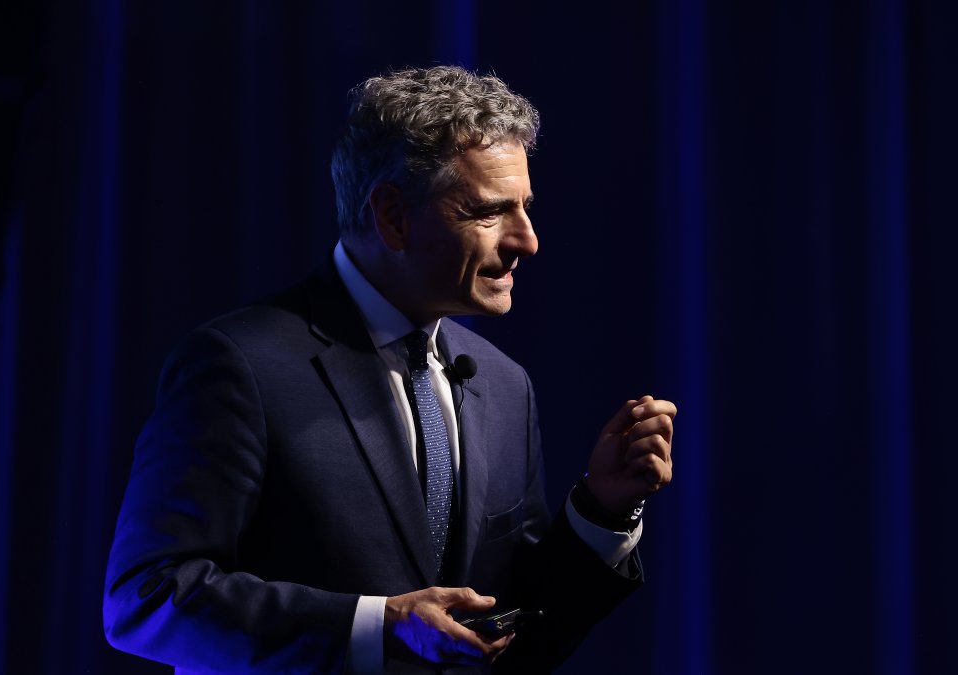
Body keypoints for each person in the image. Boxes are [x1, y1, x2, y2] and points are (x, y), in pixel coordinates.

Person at [103, 65, 676, 674]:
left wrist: (603, 510)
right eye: (489, 212)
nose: (527, 241)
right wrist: (380, 625)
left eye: (525, 208)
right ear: (393, 216)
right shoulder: (239, 365)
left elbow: (516, 631)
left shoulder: (505, 384)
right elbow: (147, 599)